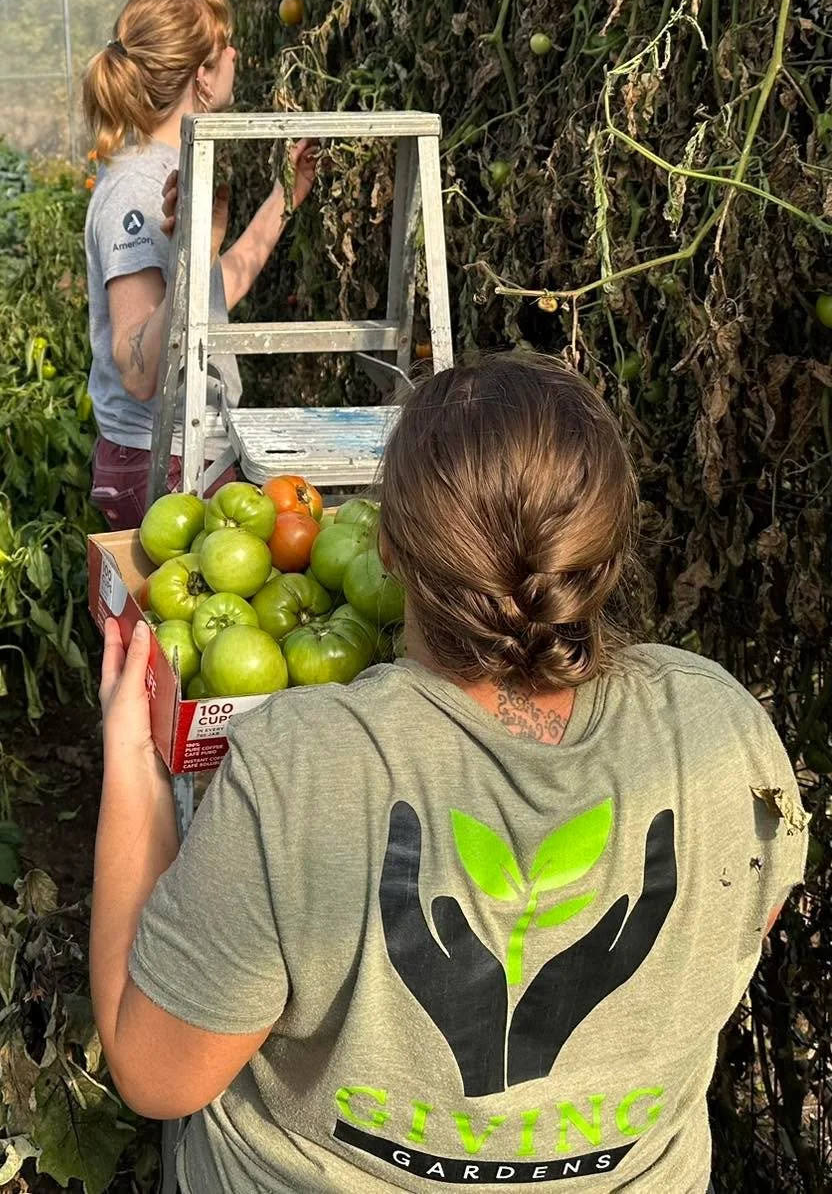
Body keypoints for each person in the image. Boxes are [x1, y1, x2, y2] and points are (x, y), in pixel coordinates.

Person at [90, 352, 806, 1192]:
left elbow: (154, 1074)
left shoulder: (305, 770)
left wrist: (133, 764)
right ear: (607, 551)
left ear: (387, 548)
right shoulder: (722, 729)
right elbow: (746, 921)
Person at [81, 0, 319, 529]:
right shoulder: (143, 187)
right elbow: (139, 369)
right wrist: (193, 247)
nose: (236, 52)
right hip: (164, 457)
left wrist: (289, 192)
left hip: (180, 451)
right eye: (225, 45)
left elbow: (213, 292)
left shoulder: (174, 168)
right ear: (202, 77)